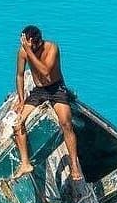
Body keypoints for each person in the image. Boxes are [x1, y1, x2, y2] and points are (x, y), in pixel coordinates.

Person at [13, 25, 83, 182]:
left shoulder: (52, 48)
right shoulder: (23, 51)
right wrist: (21, 99)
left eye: (29, 44)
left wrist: (29, 51)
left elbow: (45, 71)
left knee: (66, 123)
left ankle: (74, 166)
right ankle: (25, 163)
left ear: (37, 41)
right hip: (39, 91)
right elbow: (19, 75)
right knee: (18, 124)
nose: (25, 47)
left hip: (56, 88)